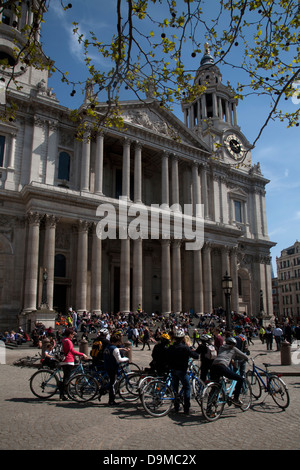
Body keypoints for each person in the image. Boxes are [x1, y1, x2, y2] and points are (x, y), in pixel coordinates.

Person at [166, 328, 199, 414]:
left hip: (173, 370)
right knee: (187, 388)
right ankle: (186, 409)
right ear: (183, 338)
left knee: (175, 389)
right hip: (182, 370)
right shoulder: (185, 348)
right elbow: (195, 356)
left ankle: (176, 407)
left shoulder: (171, 347)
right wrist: (196, 352)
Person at [210, 337, 249, 406]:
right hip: (222, 366)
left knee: (215, 386)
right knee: (240, 379)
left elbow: (224, 355)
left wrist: (231, 359)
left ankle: (209, 407)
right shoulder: (233, 349)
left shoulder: (222, 347)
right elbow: (244, 356)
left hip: (213, 366)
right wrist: (246, 359)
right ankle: (236, 399)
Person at [60, 328, 89, 400]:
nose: (73, 336)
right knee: (67, 378)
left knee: (67, 378)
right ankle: (63, 394)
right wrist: (82, 354)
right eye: (72, 334)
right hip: (68, 361)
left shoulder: (64, 340)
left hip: (65, 360)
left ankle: (66, 393)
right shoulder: (69, 342)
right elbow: (72, 351)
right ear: (69, 334)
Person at [103, 331, 130, 406]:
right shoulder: (115, 349)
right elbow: (119, 359)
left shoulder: (107, 347)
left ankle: (104, 390)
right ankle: (111, 400)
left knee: (111, 382)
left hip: (107, 366)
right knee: (113, 383)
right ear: (117, 342)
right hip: (113, 367)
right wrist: (126, 359)